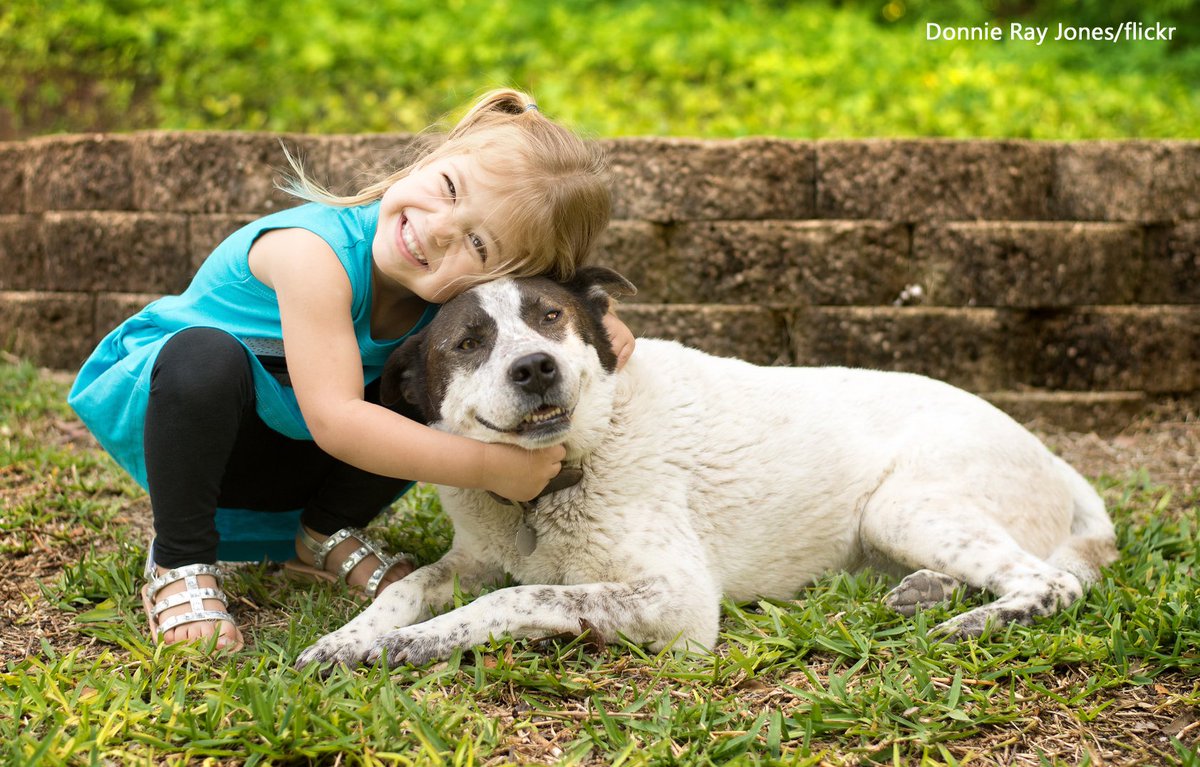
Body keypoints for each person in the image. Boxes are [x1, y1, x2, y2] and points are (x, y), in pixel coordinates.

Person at [68, 89, 635, 653]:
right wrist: (489, 466)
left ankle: (320, 536)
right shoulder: (309, 253)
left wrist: (596, 315)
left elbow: (571, 311)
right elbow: (337, 420)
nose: (439, 229)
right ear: (430, 157)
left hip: (290, 439)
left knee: (428, 376)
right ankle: (179, 561)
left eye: (479, 243)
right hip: (183, 414)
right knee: (204, 358)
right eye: (448, 188)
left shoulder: (442, 294)